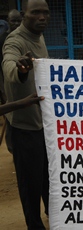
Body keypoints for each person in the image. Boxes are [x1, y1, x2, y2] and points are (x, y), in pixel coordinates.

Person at [2, 0, 50, 229]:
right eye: (36, 13)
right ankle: (34, 225)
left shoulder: (39, 37)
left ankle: (56, 216)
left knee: (48, 178)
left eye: (45, 13)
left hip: (44, 124)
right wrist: (20, 70)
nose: (42, 17)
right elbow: (10, 64)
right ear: (24, 15)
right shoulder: (15, 40)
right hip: (24, 127)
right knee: (30, 184)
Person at [0, 9, 22, 154]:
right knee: (9, 112)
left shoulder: (24, 38)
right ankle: (12, 146)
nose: (15, 23)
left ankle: (16, 145)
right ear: (8, 21)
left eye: (18, 21)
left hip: (19, 80)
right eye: (13, 21)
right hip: (4, 78)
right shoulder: (3, 38)